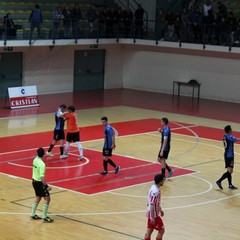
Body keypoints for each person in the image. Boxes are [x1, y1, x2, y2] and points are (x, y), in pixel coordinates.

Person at [30, 148, 53, 223]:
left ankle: (33, 214)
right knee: (47, 199)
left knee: (38, 197)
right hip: (39, 183)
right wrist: (47, 186)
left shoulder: (35, 160)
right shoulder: (42, 164)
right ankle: (44, 217)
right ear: (44, 154)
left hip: (34, 181)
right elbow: (42, 177)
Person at [216, 125, 238, 190]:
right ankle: (219, 181)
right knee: (230, 171)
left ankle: (230, 185)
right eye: (231, 129)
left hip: (226, 155)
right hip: (230, 155)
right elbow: (237, 140)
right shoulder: (230, 137)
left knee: (229, 171)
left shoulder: (224, 136)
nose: (232, 130)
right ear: (229, 130)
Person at [144, 174, 165, 240]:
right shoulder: (156, 191)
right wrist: (153, 217)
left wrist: (160, 210)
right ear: (160, 181)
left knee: (149, 230)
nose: (164, 181)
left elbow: (156, 202)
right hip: (154, 215)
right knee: (161, 231)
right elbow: (152, 204)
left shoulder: (153, 187)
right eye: (163, 180)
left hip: (150, 212)